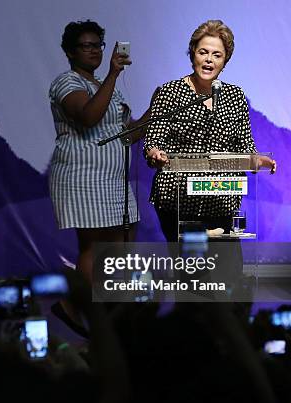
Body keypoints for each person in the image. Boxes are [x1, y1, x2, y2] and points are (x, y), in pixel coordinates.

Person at [48, 20, 145, 335]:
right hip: (83, 176)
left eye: (97, 46)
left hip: (114, 179)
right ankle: (76, 307)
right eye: (85, 46)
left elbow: (128, 135)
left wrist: (157, 110)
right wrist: (115, 75)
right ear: (69, 52)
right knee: (93, 246)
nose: (93, 51)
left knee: (121, 242)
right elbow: (88, 118)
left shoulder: (106, 88)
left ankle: (104, 308)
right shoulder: (66, 82)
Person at [144, 20, 276, 242]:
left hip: (221, 199)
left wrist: (257, 160)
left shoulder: (235, 96)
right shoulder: (170, 92)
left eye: (217, 55)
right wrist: (155, 153)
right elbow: (153, 140)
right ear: (192, 54)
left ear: (225, 61)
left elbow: (244, 143)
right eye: (203, 52)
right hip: (179, 199)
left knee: (227, 270)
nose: (209, 60)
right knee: (193, 271)